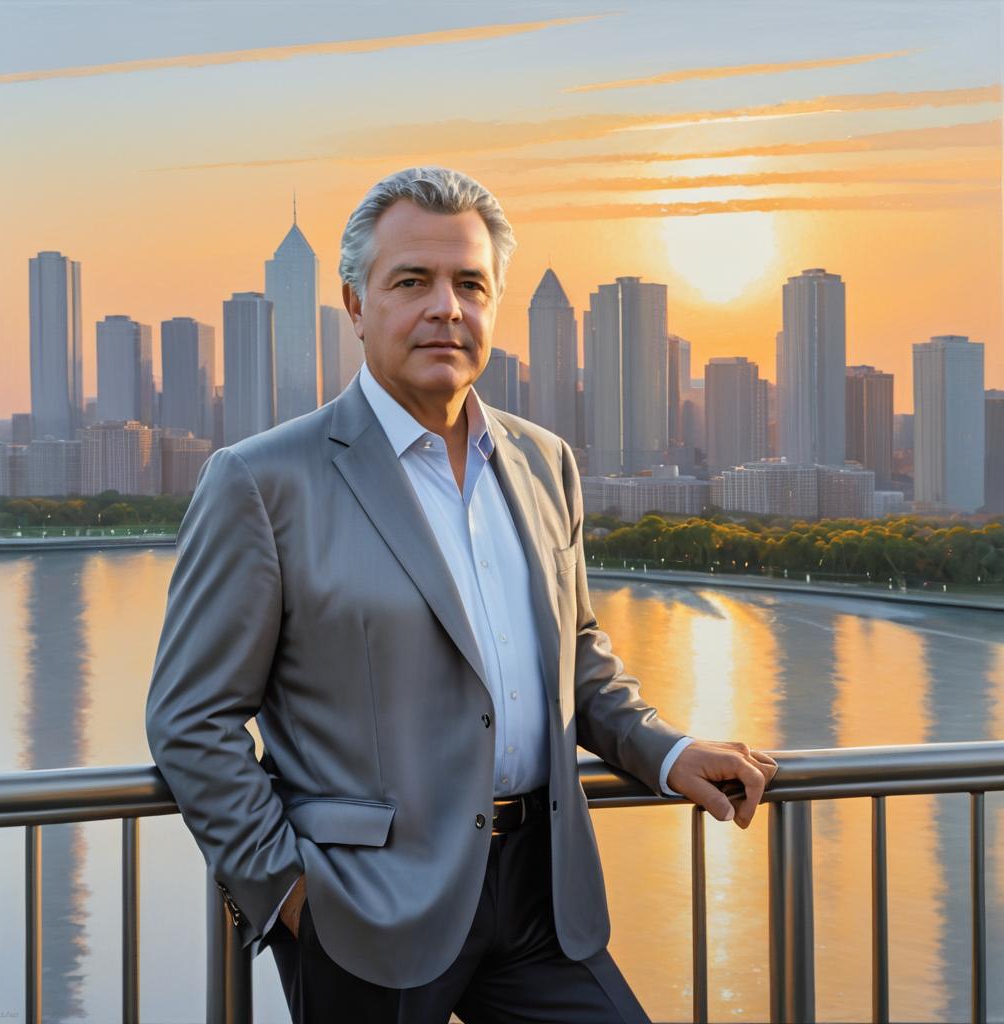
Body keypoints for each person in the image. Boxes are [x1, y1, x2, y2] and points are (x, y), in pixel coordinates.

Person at [145, 166, 779, 1023]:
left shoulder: (544, 462)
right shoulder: (261, 482)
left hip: (541, 896)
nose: (446, 306)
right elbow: (190, 718)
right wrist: (289, 892)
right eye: (412, 281)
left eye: (469, 284)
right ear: (355, 305)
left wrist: (667, 755)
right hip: (367, 911)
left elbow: (578, 659)